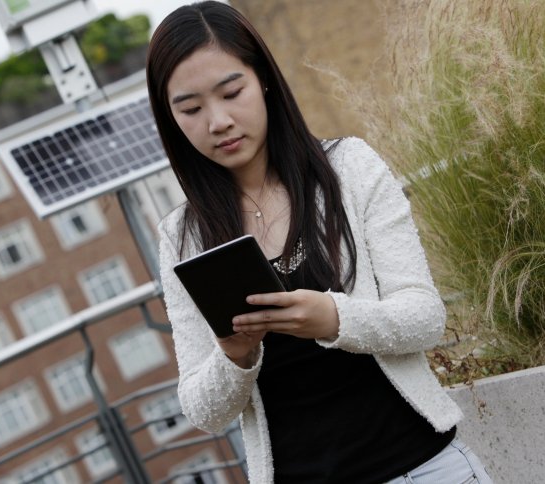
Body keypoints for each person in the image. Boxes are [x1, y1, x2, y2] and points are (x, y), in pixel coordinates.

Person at [146, 2, 493, 483]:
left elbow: (424, 317)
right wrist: (235, 354)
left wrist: (334, 318)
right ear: (172, 118)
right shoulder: (182, 236)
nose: (218, 121)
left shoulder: (349, 169)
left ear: (263, 78)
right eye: (191, 108)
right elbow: (202, 410)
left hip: (425, 468)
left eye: (232, 92)